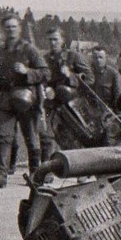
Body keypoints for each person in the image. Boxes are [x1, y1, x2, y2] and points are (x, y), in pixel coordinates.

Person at [0, 12, 49, 188]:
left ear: (19, 29)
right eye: (7, 27)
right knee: (3, 136)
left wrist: (27, 71)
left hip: (26, 99)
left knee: (30, 136)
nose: (11, 30)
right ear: (3, 30)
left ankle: (36, 173)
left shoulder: (29, 49)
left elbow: (45, 73)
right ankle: (1, 175)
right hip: (5, 98)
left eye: (14, 27)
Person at [41, 28, 94, 159]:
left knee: (76, 136)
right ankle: (48, 169)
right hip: (51, 103)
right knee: (48, 136)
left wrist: (71, 75)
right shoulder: (45, 59)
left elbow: (90, 78)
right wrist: (44, 89)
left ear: (62, 40)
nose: (52, 42)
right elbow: (41, 78)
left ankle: (82, 170)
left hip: (72, 104)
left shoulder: (73, 56)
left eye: (55, 39)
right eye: (50, 40)